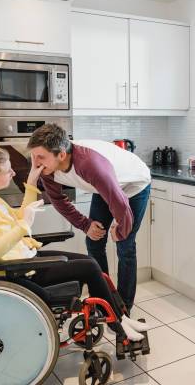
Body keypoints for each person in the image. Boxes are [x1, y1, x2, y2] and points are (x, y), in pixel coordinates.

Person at [0, 141, 149, 341]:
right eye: (8, 170)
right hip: (17, 271)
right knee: (90, 267)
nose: (12, 173)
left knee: (90, 262)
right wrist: (23, 226)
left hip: (22, 259)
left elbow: (19, 218)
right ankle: (117, 325)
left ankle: (120, 316)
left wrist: (30, 183)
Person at [27, 124, 151, 311]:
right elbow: (59, 201)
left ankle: (123, 306)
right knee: (93, 241)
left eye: (41, 157)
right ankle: (104, 299)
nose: (35, 162)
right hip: (105, 187)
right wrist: (86, 225)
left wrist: (120, 228)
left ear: (61, 154)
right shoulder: (47, 169)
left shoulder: (89, 164)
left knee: (125, 245)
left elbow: (120, 203)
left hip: (133, 185)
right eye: (33, 156)